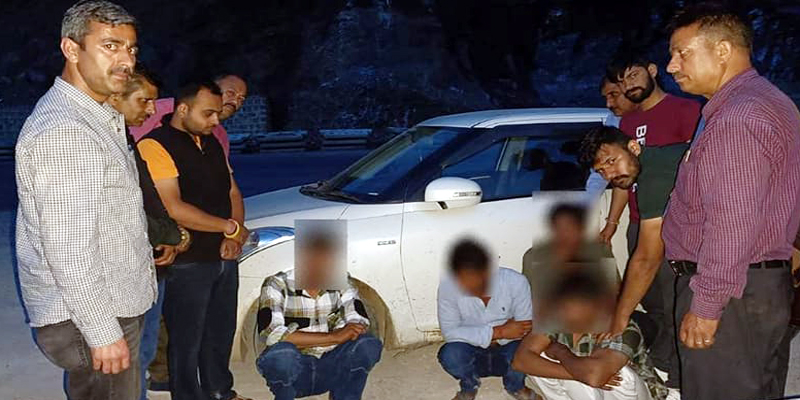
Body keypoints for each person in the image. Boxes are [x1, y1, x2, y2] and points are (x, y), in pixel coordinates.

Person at [15, 2, 155, 399]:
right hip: (92, 313)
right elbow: (69, 248)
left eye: (130, 48)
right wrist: (102, 332)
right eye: (110, 46)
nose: (126, 60)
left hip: (109, 297)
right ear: (71, 49)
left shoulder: (95, 114)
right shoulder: (67, 132)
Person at [662, 3, 800, 399]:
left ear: (723, 50)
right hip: (755, 286)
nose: (671, 66)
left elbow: (733, 221)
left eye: (682, 52)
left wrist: (707, 304)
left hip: (733, 292)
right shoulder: (769, 101)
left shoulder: (737, 118)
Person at [137, 80, 251, 400]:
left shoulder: (211, 141)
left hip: (223, 253)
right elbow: (174, 207)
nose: (216, 120)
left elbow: (232, 191)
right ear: (183, 109)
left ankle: (220, 392)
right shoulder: (155, 145)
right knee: (186, 341)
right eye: (208, 113)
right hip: (187, 258)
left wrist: (235, 235)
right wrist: (228, 227)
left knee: (220, 332)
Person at [106, 66, 193, 400]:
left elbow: (148, 194)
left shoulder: (125, 137)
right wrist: (171, 236)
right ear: (116, 96)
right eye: (144, 101)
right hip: (120, 267)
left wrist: (172, 235)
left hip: (148, 261)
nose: (152, 110)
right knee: (118, 360)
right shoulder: (97, 142)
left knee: (142, 351)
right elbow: (119, 209)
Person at [579, 126, 688, 390]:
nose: (610, 175)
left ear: (634, 147)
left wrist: (620, 317)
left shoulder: (656, 175)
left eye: (611, 161)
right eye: (601, 171)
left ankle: (677, 382)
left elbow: (647, 258)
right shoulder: (649, 165)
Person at [255, 232, 383, 400]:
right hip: (296, 370)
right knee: (282, 356)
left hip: (332, 365)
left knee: (367, 345)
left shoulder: (342, 281)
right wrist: (334, 336)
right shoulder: (276, 284)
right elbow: (271, 334)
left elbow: (358, 322)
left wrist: (340, 334)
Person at [512, 269, 669, 400]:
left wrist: (561, 351)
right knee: (541, 358)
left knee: (620, 375)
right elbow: (520, 361)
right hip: (591, 382)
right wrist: (577, 373)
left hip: (640, 394)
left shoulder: (621, 327)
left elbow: (595, 376)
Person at [437, 239, 536, 400]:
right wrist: (499, 331)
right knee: (450, 354)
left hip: (508, 349)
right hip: (472, 351)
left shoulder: (516, 281)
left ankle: (515, 386)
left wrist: (471, 333)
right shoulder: (448, 287)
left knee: (528, 348)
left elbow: (524, 328)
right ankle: (469, 385)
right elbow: (450, 333)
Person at [129, 73, 248, 158]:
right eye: (230, 93)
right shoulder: (157, 111)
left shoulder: (220, 136)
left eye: (241, 99)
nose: (235, 102)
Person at [522, 203, 618, 303]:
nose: (565, 234)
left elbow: (615, 292)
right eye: (560, 227)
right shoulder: (533, 257)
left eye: (570, 227)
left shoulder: (600, 251)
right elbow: (528, 298)